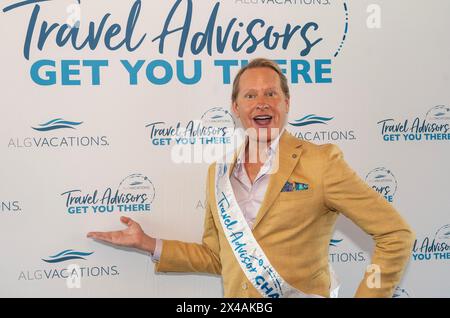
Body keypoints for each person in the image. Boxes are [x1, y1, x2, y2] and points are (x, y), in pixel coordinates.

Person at [87, 58, 415, 298]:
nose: (261, 103)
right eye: (250, 96)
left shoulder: (321, 162)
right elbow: (219, 257)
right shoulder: (218, 174)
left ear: (287, 103)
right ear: (236, 107)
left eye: (271, 94)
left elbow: (396, 235)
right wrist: (148, 244)